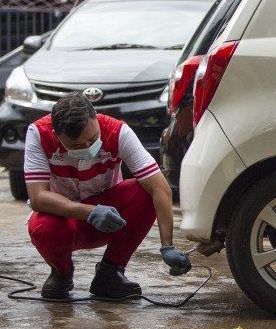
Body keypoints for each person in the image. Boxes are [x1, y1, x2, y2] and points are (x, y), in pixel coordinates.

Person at [24, 92, 191, 299]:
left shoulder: (117, 131)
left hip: (111, 220)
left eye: (93, 139)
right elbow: (38, 198)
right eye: (76, 146)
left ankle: (111, 272)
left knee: (145, 192)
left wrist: (168, 246)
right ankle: (61, 273)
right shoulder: (38, 134)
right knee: (42, 227)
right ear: (56, 134)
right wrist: (90, 212)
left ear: (96, 117)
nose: (87, 148)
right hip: (64, 221)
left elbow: (160, 188)